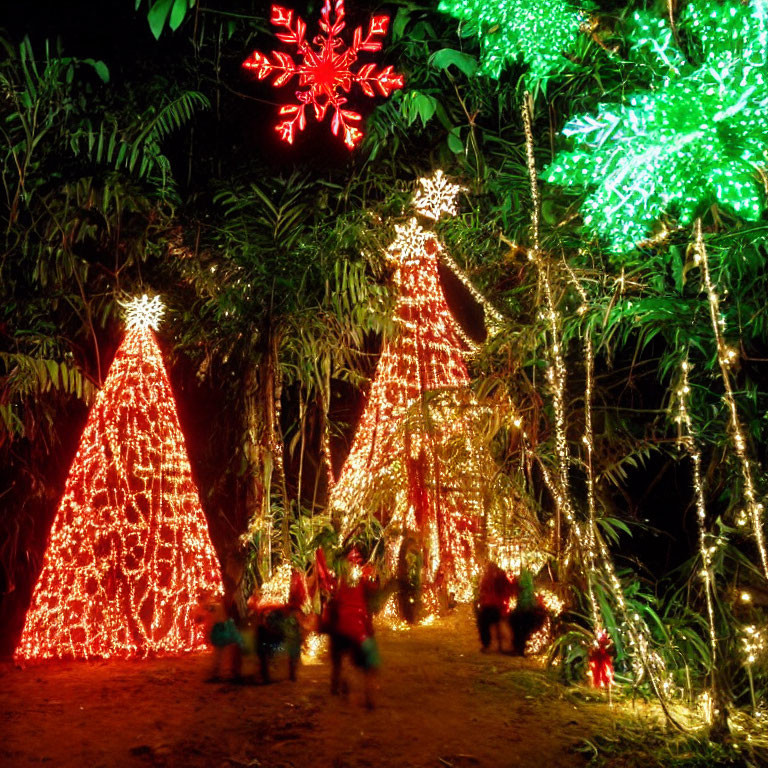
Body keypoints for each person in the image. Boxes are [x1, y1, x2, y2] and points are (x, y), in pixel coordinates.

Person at [326, 548, 381, 709]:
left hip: (342, 627)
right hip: (358, 628)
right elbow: (374, 589)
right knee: (370, 663)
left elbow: (334, 598)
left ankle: (339, 684)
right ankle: (368, 695)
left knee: (340, 659)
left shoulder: (341, 580)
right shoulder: (361, 579)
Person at [475, 561, 514, 652]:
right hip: (498, 605)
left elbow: (483, 590)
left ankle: (496, 645)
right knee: (499, 625)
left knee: (492, 626)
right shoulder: (500, 577)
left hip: (491, 605)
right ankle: (505, 645)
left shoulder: (489, 578)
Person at [508, 568, 547, 656]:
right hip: (528, 611)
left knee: (519, 631)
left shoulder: (523, 587)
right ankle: (520, 649)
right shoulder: (531, 586)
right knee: (523, 632)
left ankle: (518, 649)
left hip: (523, 611)